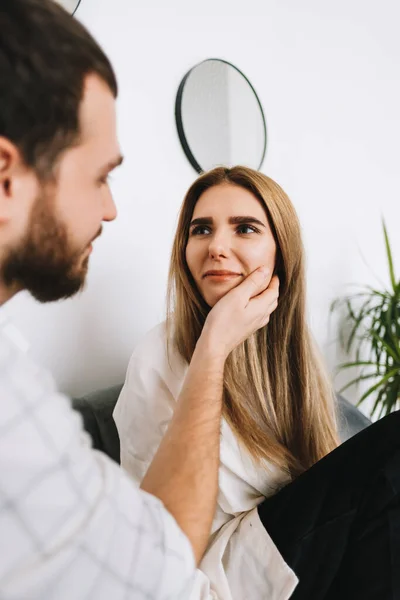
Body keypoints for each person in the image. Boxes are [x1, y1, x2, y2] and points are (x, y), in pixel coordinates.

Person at [0, 2, 281, 599]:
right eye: (100, 176)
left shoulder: (19, 383)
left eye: (246, 229)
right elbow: (153, 571)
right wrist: (214, 348)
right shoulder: (18, 411)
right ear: (5, 178)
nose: (110, 209)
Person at [115, 166, 400, 600]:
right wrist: (214, 344)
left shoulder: (295, 351)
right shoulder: (158, 354)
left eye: (244, 228)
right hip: (216, 575)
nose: (217, 247)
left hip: (296, 554)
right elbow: (158, 537)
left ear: (280, 251)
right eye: (201, 229)